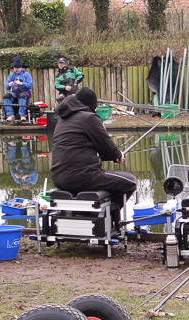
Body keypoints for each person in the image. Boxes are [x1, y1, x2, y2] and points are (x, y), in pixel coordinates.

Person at [50, 87, 137, 228]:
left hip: (59, 177)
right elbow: (107, 146)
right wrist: (117, 155)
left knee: (110, 182)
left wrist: (111, 155)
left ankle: (88, 218)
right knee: (130, 182)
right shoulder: (89, 117)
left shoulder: (63, 120)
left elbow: (80, 151)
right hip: (82, 176)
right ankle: (108, 222)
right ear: (91, 106)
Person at [4, 56, 33, 123]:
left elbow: (30, 85)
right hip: (15, 92)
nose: (16, 70)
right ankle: (10, 115)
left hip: (25, 92)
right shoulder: (12, 75)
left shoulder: (26, 74)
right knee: (6, 96)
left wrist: (21, 83)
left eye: (18, 68)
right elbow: (6, 87)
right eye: (15, 68)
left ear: (21, 67)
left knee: (21, 96)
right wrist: (9, 85)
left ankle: (22, 115)